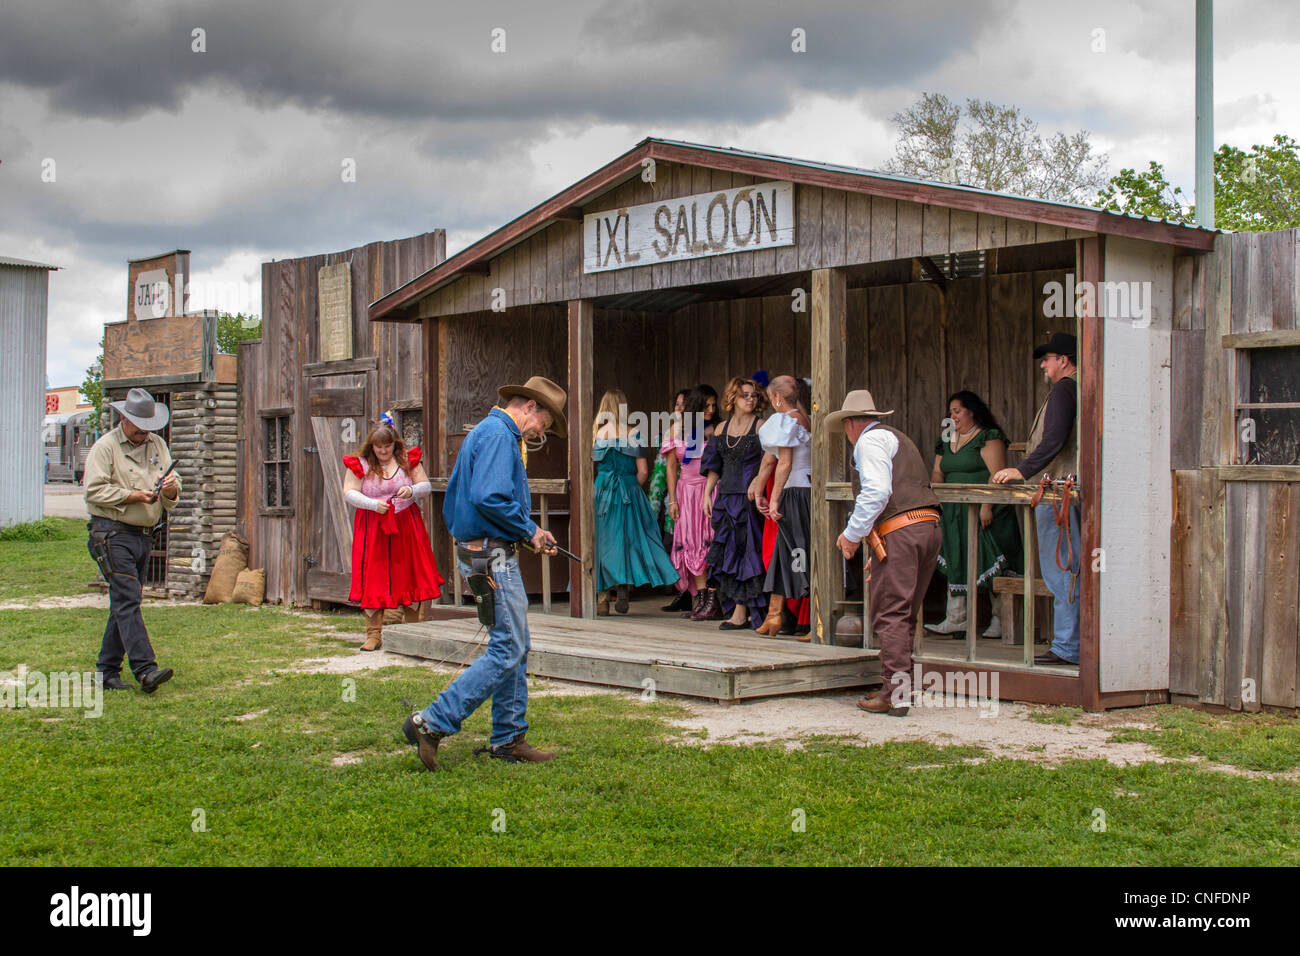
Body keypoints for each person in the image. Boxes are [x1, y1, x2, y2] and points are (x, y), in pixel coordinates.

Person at [403, 375, 566, 770]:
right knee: (507, 648)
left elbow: (487, 502)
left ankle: (509, 738)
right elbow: (490, 498)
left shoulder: (494, 432)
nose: (541, 433)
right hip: (489, 557)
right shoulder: (498, 435)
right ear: (529, 407)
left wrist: (528, 535)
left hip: (489, 552)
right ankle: (432, 722)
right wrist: (529, 529)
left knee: (515, 645)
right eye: (544, 423)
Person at [828, 389, 941, 717]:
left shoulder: (868, 442)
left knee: (891, 613)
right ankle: (902, 688)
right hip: (925, 528)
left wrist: (851, 535)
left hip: (902, 533)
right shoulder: (896, 438)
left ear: (849, 424)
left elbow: (877, 493)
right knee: (903, 612)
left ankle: (895, 693)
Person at [83, 388, 179, 693]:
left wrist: (170, 488)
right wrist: (131, 495)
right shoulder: (105, 447)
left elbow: (172, 495)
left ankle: (106, 673)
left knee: (122, 603)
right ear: (124, 419)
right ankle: (145, 670)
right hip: (111, 533)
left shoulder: (158, 445)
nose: (143, 432)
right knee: (128, 598)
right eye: (139, 426)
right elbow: (93, 491)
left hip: (144, 535)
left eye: (148, 427)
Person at [992, 332, 1080, 666]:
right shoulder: (1069, 389)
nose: (1043, 365)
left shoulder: (1063, 390)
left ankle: (1067, 647)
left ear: (1064, 361)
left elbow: (1054, 440)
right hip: (1060, 491)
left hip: (1057, 492)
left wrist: (1021, 470)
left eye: (1048, 359)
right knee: (1065, 568)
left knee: (1061, 570)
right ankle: (1069, 644)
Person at [926, 391, 1023, 639]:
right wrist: (937, 496)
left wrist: (986, 505)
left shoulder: (989, 436)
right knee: (958, 558)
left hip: (985, 509)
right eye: (951, 412)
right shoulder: (947, 437)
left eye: (957, 411)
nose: (953, 416)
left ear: (972, 411)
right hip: (954, 511)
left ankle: (1000, 620)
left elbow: (996, 473)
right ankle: (957, 618)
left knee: (990, 560)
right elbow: (938, 471)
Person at [342, 416, 444, 651]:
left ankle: (412, 632)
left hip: (404, 524)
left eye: (387, 446)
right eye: (379, 447)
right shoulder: (361, 464)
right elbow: (348, 492)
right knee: (373, 575)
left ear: (394, 444)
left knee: (407, 573)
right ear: (372, 446)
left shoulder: (407, 460)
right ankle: (373, 634)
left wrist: (411, 489)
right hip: (372, 526)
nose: (383, 451)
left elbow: (426, 486)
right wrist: (372, 505)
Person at [592, 389, 679, 614]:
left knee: (602, 542)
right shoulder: (634, 433)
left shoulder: (598, 433)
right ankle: (623, 590)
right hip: (628, 491)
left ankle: (602, 597)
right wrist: (631, 488)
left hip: (602, 491)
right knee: (628, 542)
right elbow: (643, 471)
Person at [701, 377, 769, 630]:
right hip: (725, 498)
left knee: (748, 553)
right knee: (730, 554)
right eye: (745, 395)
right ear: (732, 399)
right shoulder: (720, 429)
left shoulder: (761, 426)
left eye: (754, 395)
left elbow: (769, 461)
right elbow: (714, 467)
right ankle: (738, 610)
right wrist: (707, 494)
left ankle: (744, 612)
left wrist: (759, 485)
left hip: (749, 499)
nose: (750, 399)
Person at [752, 375, 812, 637]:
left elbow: (784, 462)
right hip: (801, 488)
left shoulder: (787, 419)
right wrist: (758, 488)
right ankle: (774, 614)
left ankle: (816, 616)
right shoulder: (803, 418)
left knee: (801, 552)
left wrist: (773, 497)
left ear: (777, 398)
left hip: (796, 491)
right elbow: (769, 460)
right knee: (784, 553)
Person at [662, 387, 716, 618]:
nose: (711, 411)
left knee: (707, 543)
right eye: (707, 406)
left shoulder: (713, 429)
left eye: (714, 406)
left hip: (709, 490)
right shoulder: (678, 429)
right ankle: (700, 598)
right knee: (689, 543)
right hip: (685, 491)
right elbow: (671, 467)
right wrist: (672, 500)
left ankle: (711, 600)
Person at [649, 389, 689, 611]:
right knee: (669, 542)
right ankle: (680, 590)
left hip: (689, 491)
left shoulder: (695, 430)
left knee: (681, 544)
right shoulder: (669, 430)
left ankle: (688, 593)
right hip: (668, 494)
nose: (680, 408)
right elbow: (661, 469)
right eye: (677, 404)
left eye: (684, 405)